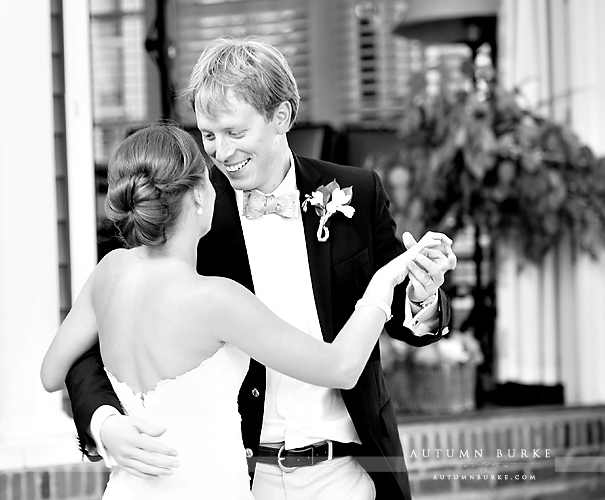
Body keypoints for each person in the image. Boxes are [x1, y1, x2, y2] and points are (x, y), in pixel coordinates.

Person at [64, 37, 457, 500]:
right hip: (239, 476)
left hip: (349, 472)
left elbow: (397, 312)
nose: (221, 153)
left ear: (282, 117)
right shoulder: (190, 210)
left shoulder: (358, 191)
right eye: (208, 135)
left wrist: (421, 297)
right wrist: (103, 422)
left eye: (234, 132)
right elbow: (90, 341)